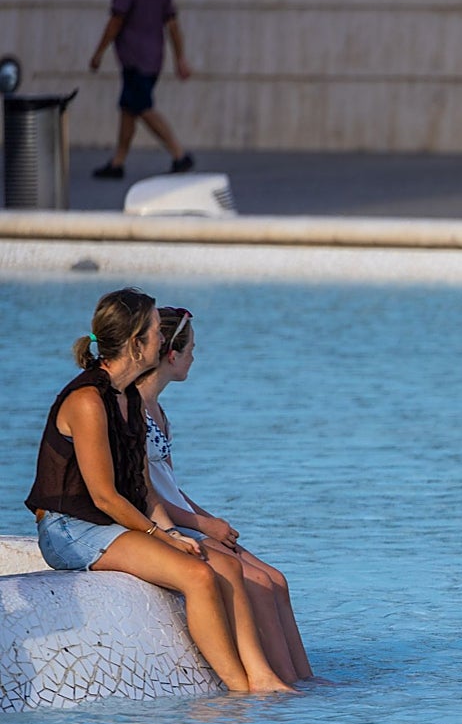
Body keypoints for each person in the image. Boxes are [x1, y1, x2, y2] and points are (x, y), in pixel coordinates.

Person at [24, 288, 291, 693]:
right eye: (155, 331)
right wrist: (162, 537)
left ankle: (263, 678)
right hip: (70, 529)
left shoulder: (128, 397)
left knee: (223, 567)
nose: (162, 340)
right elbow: (104, 496)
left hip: (111, 524)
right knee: (197, 576)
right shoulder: (88, 401)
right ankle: (240, 689)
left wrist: (174, 533)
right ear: (136, 343)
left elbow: (145, 490)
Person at [139, 306, 313, 683]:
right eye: (191, 350)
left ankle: (304, 681)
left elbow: (169, 484)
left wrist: (209, 519)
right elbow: (145, 493)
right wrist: (202, 525)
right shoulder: (133, 410)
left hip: (186, 516)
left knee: (276, 579)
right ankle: (277, 681)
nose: (194, 358)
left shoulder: (158, 410)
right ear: (172, 354)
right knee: (258, 584)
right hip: (165, 523)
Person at [89, 0, 194, 179]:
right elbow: (173, 26)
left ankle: (179, 154)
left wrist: (98, 53)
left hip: (135, 60)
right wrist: (180, 58)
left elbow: (116, 21)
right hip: (153, 59)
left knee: (143, 108)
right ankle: (118, 162)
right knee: (128, 109)